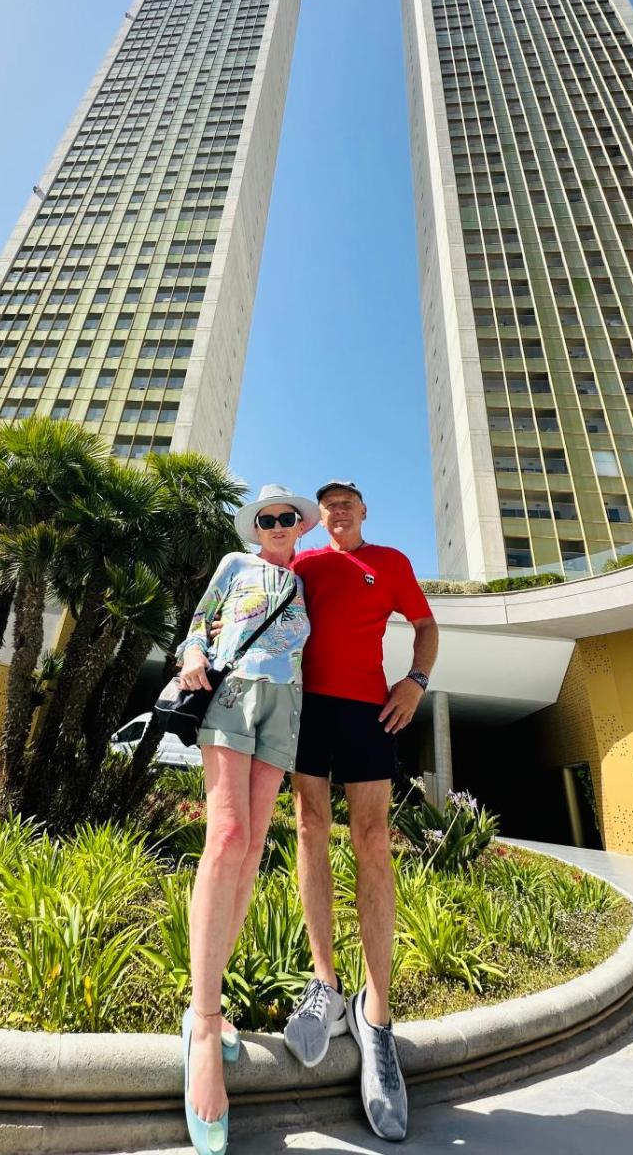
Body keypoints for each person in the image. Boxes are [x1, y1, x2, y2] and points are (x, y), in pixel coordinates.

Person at [283, 480, 439, 1142]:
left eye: (348, 500)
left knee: (372, 838)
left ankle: (376, 1016)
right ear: (319, 517)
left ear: (364, 511)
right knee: (310, 827)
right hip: (305, 708)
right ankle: (325, 986)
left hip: (367, 710)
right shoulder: (302, 562)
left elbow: (425, 626)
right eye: (329, 503)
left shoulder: (391, 562)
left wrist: (416, 681)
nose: (339, 508)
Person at [176, 482, 318, 1155]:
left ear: (300, 525)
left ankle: (210, 1004)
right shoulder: (236, 565)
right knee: (227, 835)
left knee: (254, 847)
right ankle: (204, 1024)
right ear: (256, 526)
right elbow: (199, 622)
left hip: (286, 706)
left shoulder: (306, 581)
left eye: (287, 517)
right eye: (268, 518)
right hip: (233, 692)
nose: (278, 525)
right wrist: (193, 654)